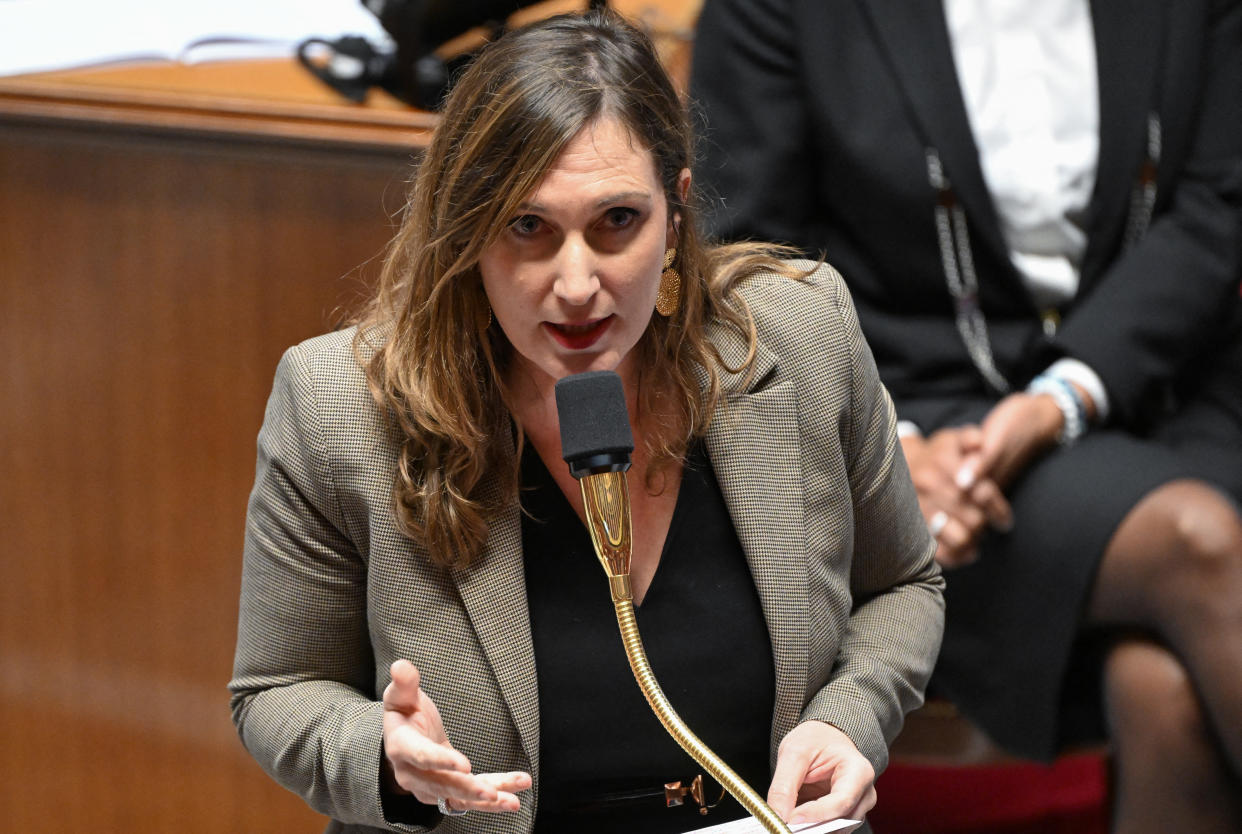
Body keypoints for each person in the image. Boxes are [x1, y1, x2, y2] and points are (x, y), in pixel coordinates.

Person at [229, 10, 944, 834]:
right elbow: (276, 690)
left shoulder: (802, 334)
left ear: (674, 215)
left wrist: (847, 719)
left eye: (616, 223)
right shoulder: (339, 403)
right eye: (528, 227)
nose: (576, 284)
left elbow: (902, 587)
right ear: (469, 230)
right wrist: (381, 758)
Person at [690, 0, 1242, 830]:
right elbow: (750, 259)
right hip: (910, 408)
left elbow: (1216, 204)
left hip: (1161, 383)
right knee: (1197, 541)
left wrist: (1065, 398)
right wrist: (887, 447)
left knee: (1161, 690)